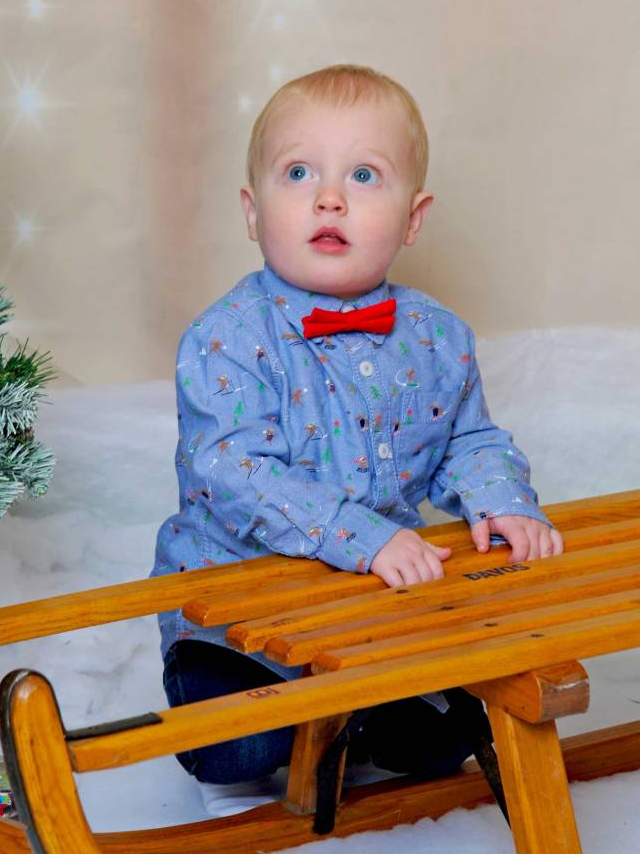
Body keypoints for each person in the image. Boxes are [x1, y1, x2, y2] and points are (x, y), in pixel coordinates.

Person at [151, 63, 563, 816]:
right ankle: (300, 709)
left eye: (364, 175)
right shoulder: (227, 339)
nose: (328, 197)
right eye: (298, 172)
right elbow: (231, 469)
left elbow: (467, 439)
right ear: (251, 210)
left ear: (412, 218)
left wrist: (502, 500)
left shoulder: (438, 337)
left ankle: (361, 710)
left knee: (441, 741)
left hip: (372, 610)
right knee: (237, 750)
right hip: (239, 613)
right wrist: (358, 534)